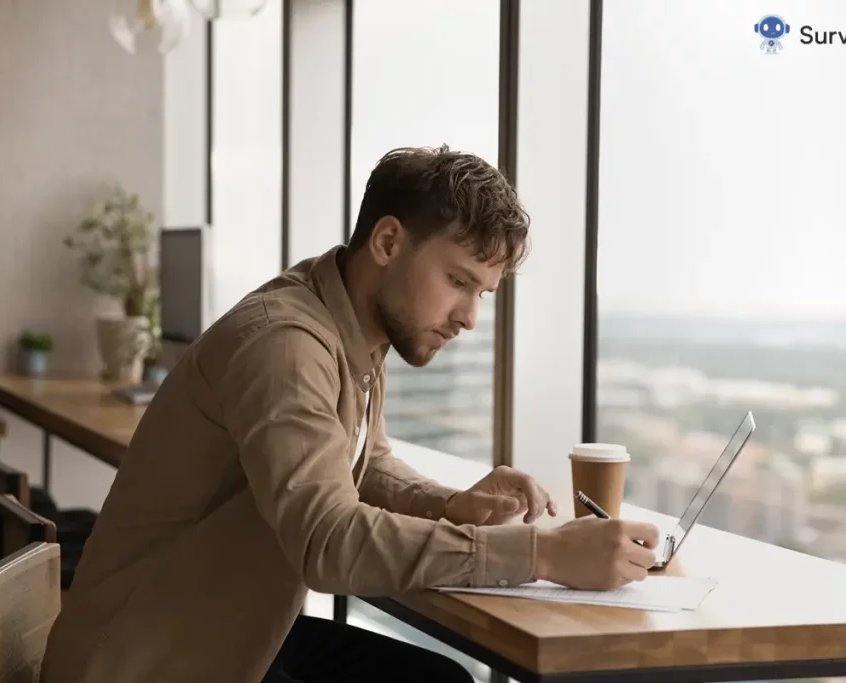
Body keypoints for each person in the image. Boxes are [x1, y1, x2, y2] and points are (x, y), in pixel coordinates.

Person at [40, 145, 660, 683]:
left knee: (433, 680)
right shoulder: (286, 343)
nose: (471, 316)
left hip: (223, 641)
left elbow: (361, 464)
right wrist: (544, 556)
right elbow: (328, 540)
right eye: (458, 281)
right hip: (146, 666)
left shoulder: (351, 327)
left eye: (482, 293)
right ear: (388, 242)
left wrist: (450, 505)